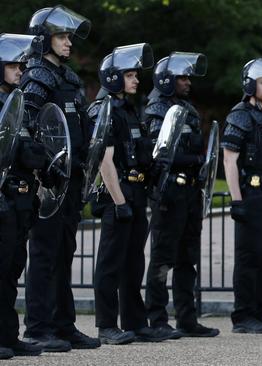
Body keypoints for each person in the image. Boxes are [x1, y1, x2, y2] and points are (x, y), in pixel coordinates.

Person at [21, 5, 100, 352]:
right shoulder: (36, 76)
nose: (68, 43)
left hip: (72, 179)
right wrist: (42, 169)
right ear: (44, 39)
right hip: (47, 183)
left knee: (65, 252)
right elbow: (24, 128)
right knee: (44, 253)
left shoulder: (68, 78)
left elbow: (80, 128)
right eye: (62, 36)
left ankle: (64, 325)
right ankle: (38, 327)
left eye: (69, 37)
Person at [89, 43, 172, 345]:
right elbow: (104, 159)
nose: (137, 80)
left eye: (136, 74)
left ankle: (135, 323)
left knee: (133, 262)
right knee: (110, 263)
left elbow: (136, 152)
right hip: (119, 194)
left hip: (135, 192)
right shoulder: (105, 109)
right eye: (130, 74)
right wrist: (119, 201)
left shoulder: (129, 110)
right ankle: (106, 326)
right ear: (113, 77)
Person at [143, 52, 219, 339]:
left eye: (188, 77)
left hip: (190, 192)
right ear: (166, 80)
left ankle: (188, 318)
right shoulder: (156, 110)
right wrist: (191, 160)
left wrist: (202, 165)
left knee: (188, 258)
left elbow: (201, 149)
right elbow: (159, 153)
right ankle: (157, 318)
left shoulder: (189, 109)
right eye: (182, 77)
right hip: (168, 192)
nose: (188, 82)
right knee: (163, 258)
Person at [222, 57, 262, 334]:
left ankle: (260, 312)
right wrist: (237, 200)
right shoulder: (240, 116)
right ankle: (243, 315)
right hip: (251, 194)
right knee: (248, 257)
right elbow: (229, 160)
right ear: (250, 85)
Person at [0, 33, 46, 360]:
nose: (21, 70)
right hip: (3, 196)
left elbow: (33, 148)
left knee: (13, 269)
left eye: (22, 64)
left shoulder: (18, 105)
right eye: (14, 65)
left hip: (21, 199)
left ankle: (9, 336)